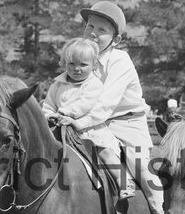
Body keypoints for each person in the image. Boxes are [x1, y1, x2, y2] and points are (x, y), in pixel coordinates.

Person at [76, 1, 166, 214]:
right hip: (93, 124)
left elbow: (105, 104)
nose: (93, 34)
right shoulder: (78, 56)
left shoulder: (121, 61)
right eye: (90, 27)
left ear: (115, 40)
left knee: (141, 167)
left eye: (102, 30)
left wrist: (77, 119)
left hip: (126, 122)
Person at [42, 37, 136, 200]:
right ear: (64, 63)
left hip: (88, 129)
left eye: (83, 64)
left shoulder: (93, 85)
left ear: (93, 65)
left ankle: (124, 182)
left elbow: (85, 104)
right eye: (71, 64)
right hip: (61, 129)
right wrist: (50, 116)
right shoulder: (57, 85)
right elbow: (48, 105)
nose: (77, 69)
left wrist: (67, 114)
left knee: (104, 152)